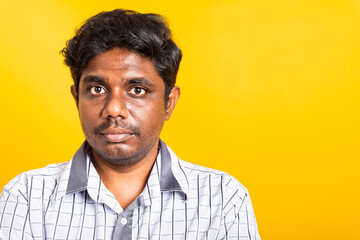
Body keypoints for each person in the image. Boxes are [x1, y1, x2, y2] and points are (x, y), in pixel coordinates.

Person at [0, 9, 260, 239]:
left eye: (136, 90)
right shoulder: (25, 197)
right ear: (76, 97)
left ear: (169, 102)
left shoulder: (224, 200)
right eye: (96, 89)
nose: (114, 109)